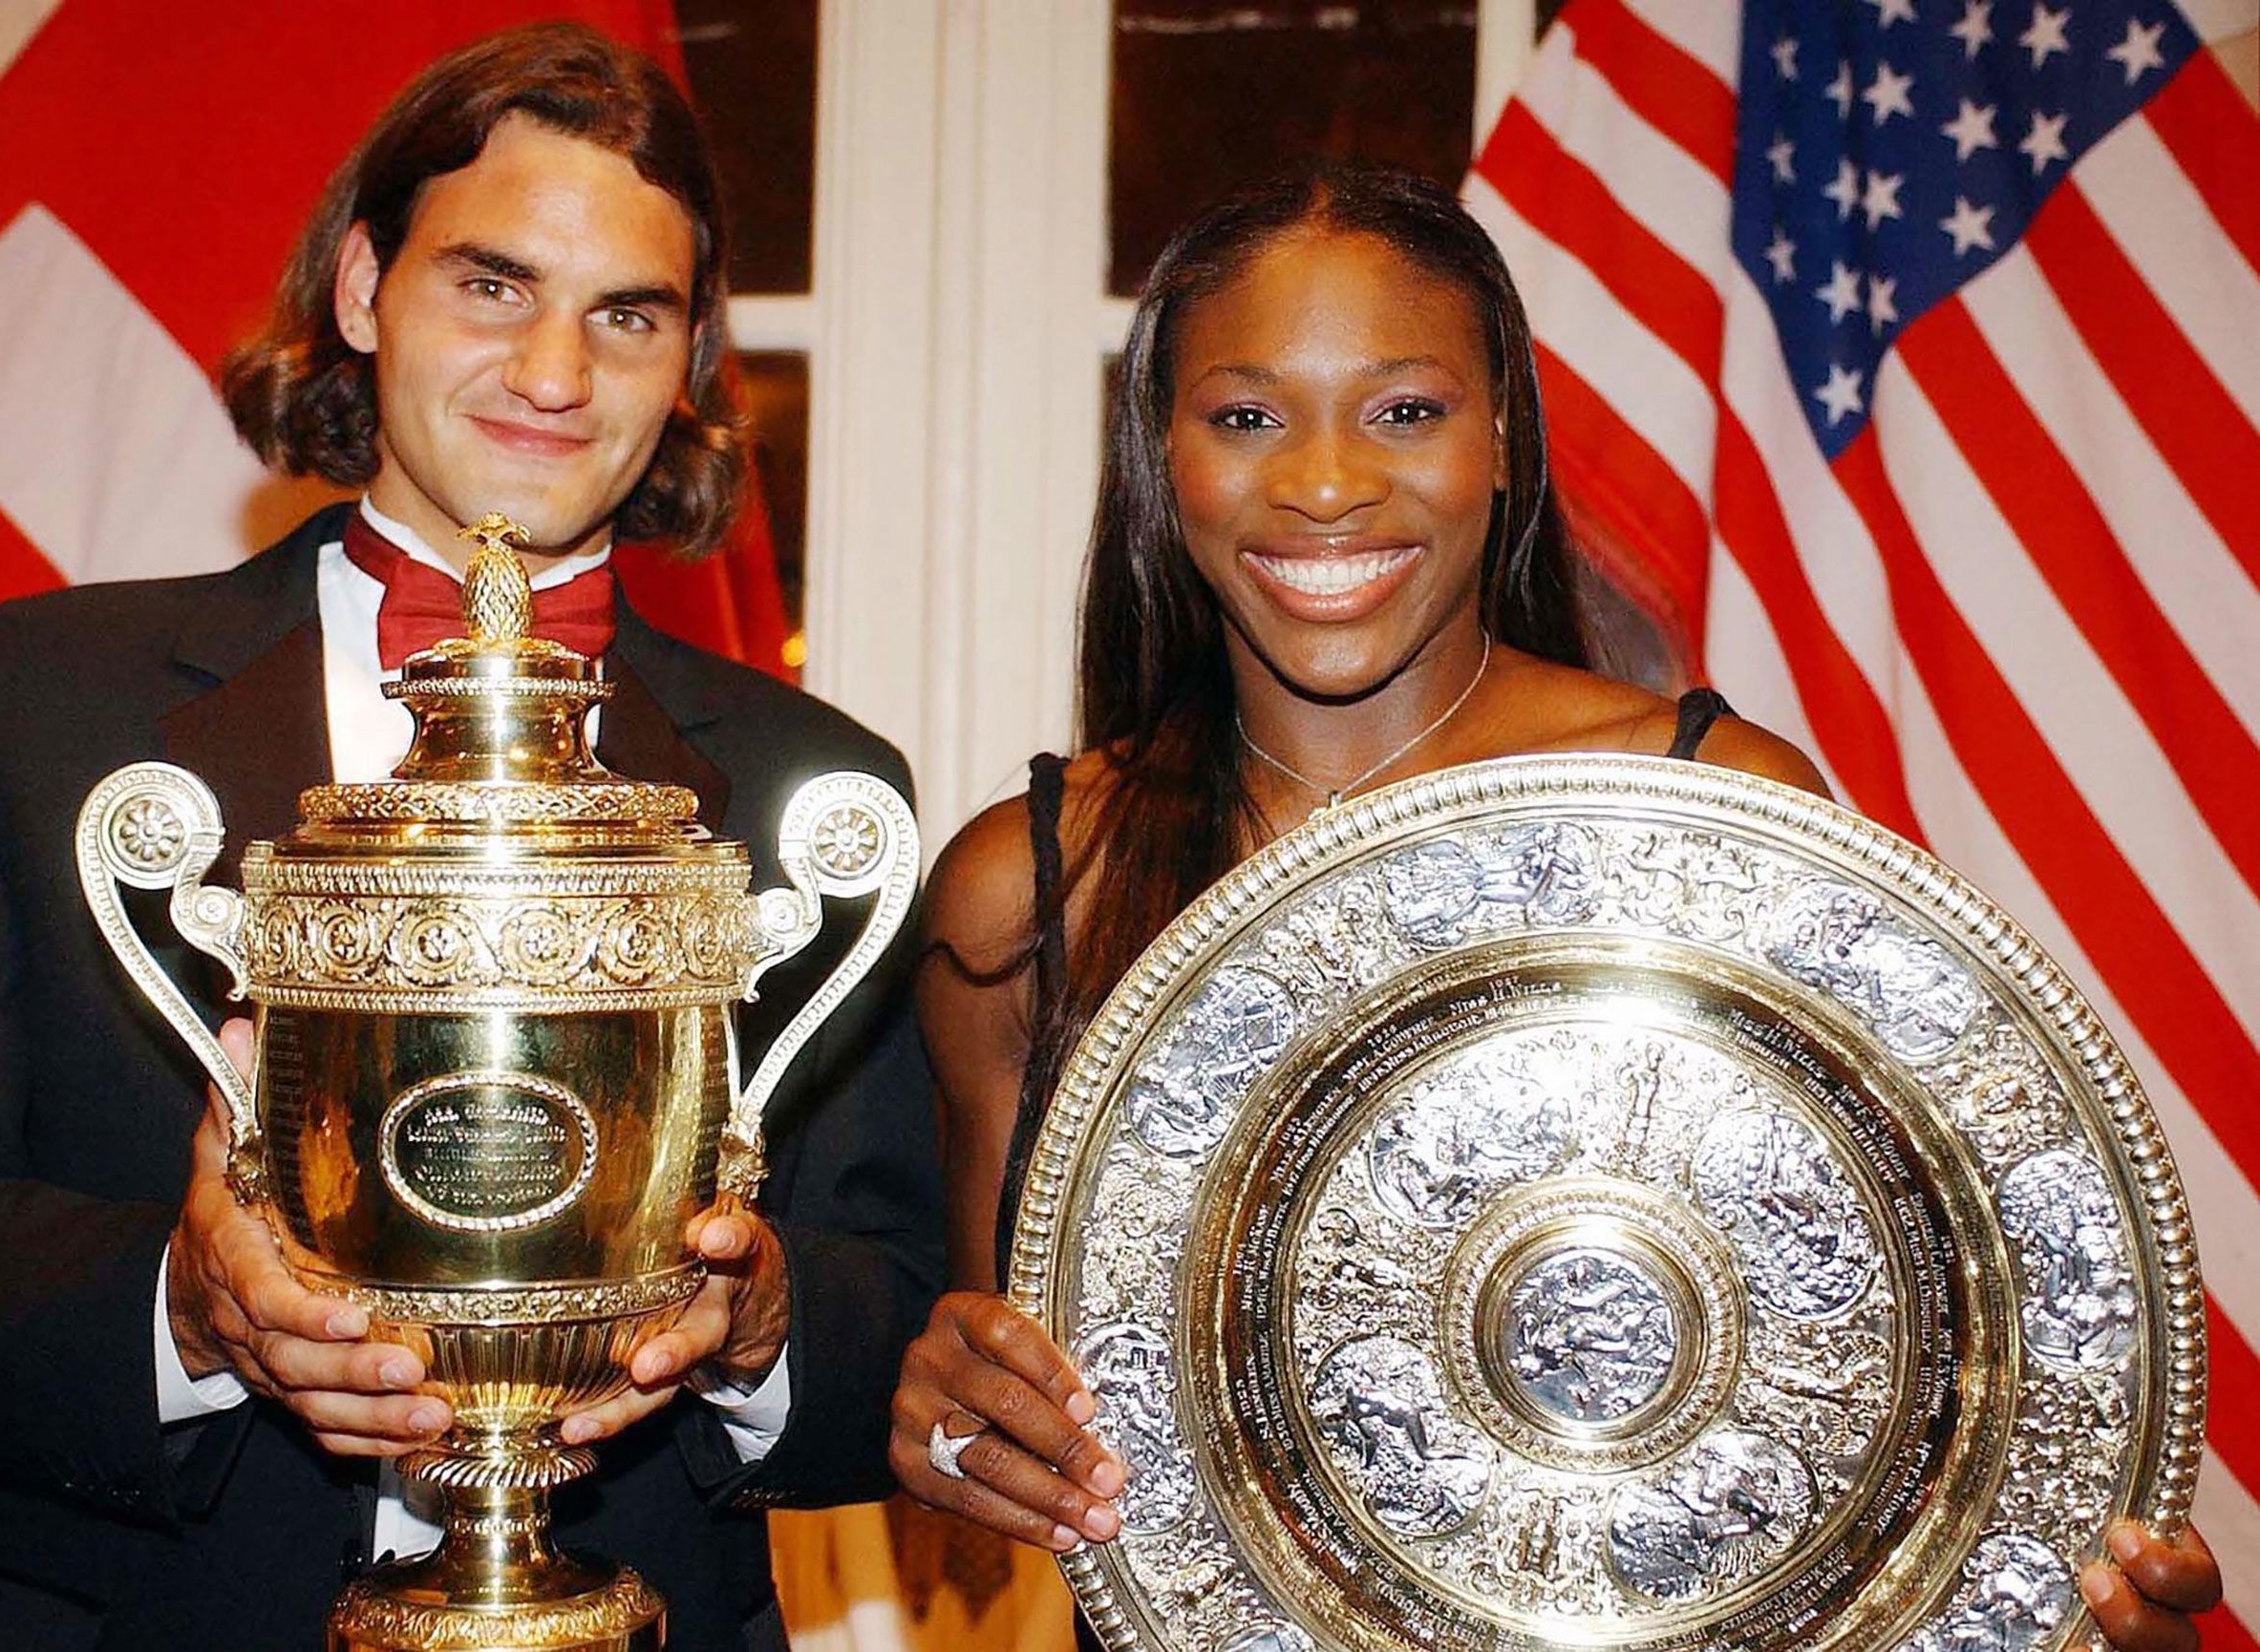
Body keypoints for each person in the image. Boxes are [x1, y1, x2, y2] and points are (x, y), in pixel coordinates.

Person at [887, 162, 2220, 1651]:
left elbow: (1905, 1360)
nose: (1326, 479)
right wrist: (955, 1431)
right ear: (1161, 455)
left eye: (1407, 408)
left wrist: (2051, 1596)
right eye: (1247, 415)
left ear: (1504, 437)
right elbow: (994, 1464)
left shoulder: (1715, 801)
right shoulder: (1031, 885)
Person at [0, 24, 940, 1651]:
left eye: (627, 314)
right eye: (493, 285)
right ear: (366, 285)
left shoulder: (816, 790)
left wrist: (763, 1321)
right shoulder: (12, 707)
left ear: (694, 355)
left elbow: (909, 1318)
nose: (556, 373)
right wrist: (180, 1304)